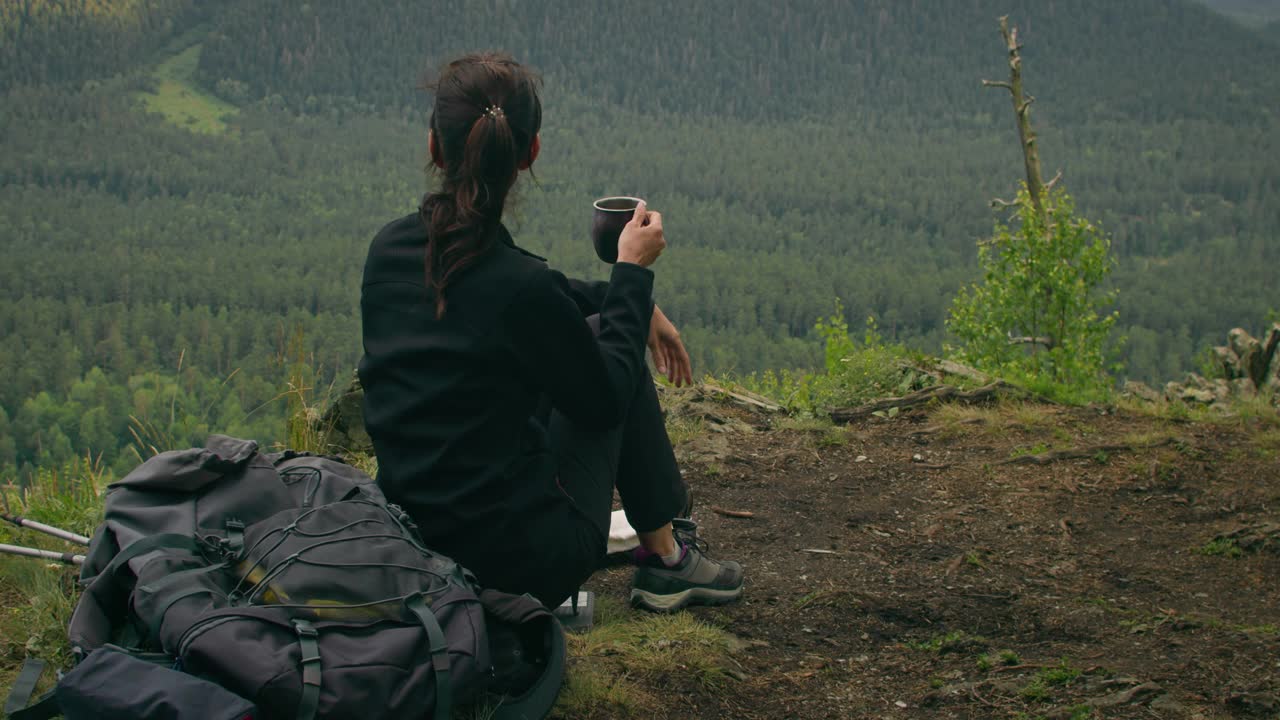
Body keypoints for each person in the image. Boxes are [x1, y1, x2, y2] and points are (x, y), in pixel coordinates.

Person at [358, 53, 743, 613]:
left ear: (434, 147)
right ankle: (667, 561)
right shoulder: (520, 288)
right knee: (615, 354)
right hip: (519, 564)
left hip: (415, 545)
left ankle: (664, 554)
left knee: (598, 328)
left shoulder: (388, 252)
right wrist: (631, 277)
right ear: (529, 153)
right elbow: (606, 399)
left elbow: (525, 295)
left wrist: (623, 300)